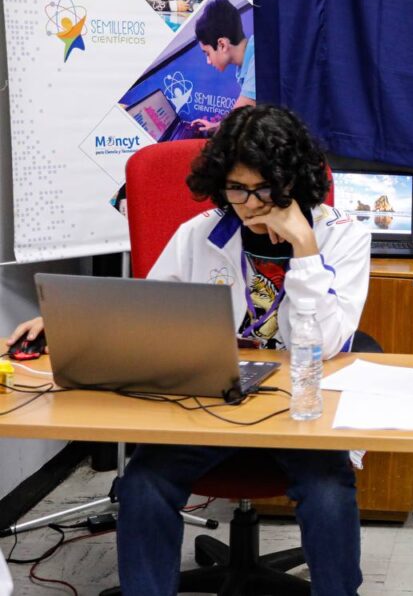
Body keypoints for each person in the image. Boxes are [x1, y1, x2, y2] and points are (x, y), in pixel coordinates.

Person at [6, 105, 370, 595]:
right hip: (211, 395)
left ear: (293, 183)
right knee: (144, 483)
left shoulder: (341, 235)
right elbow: (148, 313)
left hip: (300, 403)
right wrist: (61, 321)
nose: (251, 204)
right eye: (237, 189)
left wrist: (304, 250)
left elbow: (323, 344)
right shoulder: (200, 233)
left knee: (328, 492)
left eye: (265, 190)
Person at [193, 0, 256, 133]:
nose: (208, 61)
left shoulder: (258, 56)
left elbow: (236, 121)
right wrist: (215, 126)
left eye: (207, 53)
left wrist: (219, 127)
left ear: (222, 44)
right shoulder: (244, 65)